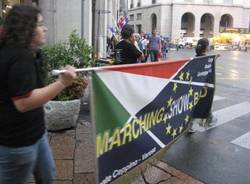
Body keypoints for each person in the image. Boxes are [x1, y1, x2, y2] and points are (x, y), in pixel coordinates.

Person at [0, 5, 76, 184]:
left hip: (36, 133)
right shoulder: (19, 57)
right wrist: (62, 83)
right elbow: (24, 102)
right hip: (18, 143)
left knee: (48, 176)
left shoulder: (26, 53)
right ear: (27, 29)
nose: (45, 28)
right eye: (40, 24)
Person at [188, 38, 218, 133]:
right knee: (205, 104)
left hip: (196, 87)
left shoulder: (197, 58)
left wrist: (214, 58)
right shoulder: (205, 59)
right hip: (204, 87)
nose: (210, 46)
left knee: (197, 105)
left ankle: (192, 125)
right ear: (206, 47)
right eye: (209, 45)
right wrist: (214, 58)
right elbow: (208, 65)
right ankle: (210, 120)